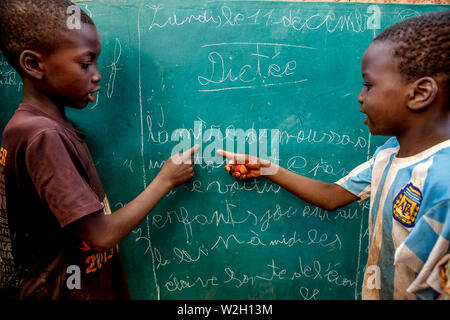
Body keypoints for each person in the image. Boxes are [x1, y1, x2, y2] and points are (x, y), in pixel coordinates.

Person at [217, 10, 450, 300]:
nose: (360, 96)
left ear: (419, 93)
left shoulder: (443, 184)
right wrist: (267, 169)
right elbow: (333, 196)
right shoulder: (390, 153)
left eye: (368, 84)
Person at [0, 0, 198, 299]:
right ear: (34, 64)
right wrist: (166, 179)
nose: (97, 75)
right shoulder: (44, 136)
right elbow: (100, 236)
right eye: (85, 63)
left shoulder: (40, 128)